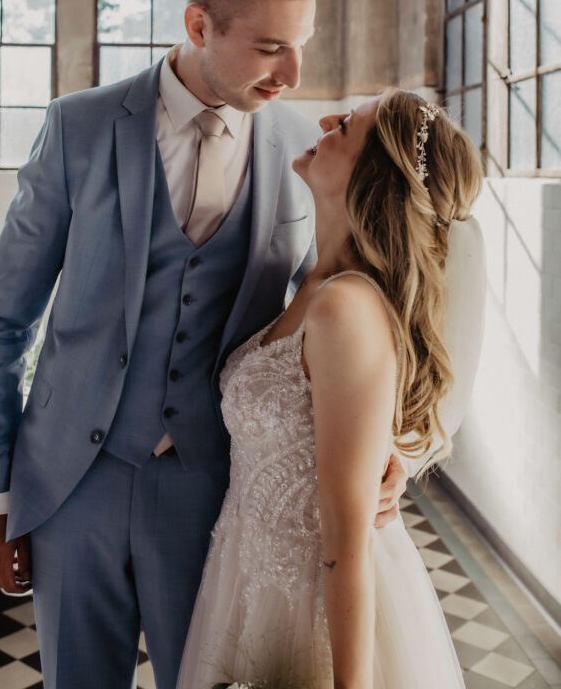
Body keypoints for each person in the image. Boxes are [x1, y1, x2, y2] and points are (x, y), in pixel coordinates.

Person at [0, 0, 408, 689]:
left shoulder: (299, 150)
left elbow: (331, 312)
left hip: (213, 489)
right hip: (72, 484)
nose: (292, 72)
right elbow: (2, 318)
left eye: (300, 42)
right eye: (269, 47)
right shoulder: (80, 126)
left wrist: (381, 438)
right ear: (199, 24)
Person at [176, 89, 483, 689]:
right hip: (249, 575)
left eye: (346, 124)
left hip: (318, 601)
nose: (323, 120)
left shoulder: (345, 306)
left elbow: (346, 538)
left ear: (375, 174)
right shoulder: (312, 285)